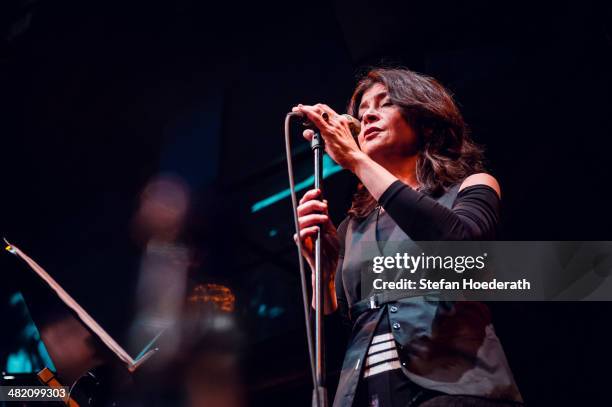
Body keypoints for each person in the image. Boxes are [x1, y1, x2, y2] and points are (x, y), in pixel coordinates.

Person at [292, 68, 523, 407]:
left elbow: (457, 248)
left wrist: (355, 160)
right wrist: (322, 274)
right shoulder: (351, 226)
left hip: (453, 392)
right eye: (362, 110)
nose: (368, 114)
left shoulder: (470, 188)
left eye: (384, 104)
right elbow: (341, 325)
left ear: (426, 122)